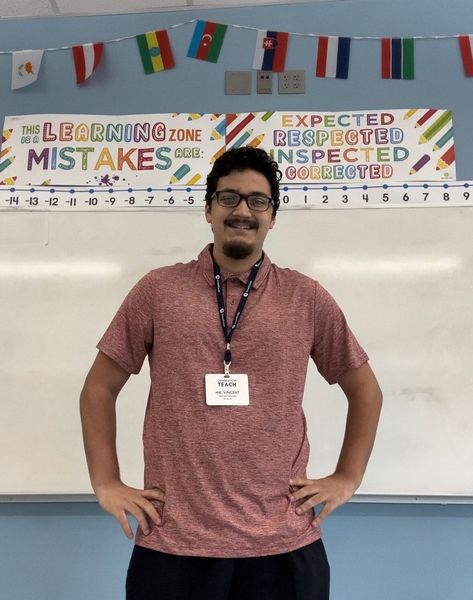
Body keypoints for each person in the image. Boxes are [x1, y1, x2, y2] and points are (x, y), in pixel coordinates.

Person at [80, 146, 382, 600]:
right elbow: (98, 388)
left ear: (273, 217)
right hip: (174, 541)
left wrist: (348, 478)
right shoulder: (157, 291)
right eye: (229, 198)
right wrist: (106, 482)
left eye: (258, 201)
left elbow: (366, 391)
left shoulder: (306, 298)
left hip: (283, 545)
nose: (243, 210)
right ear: (208, 209)